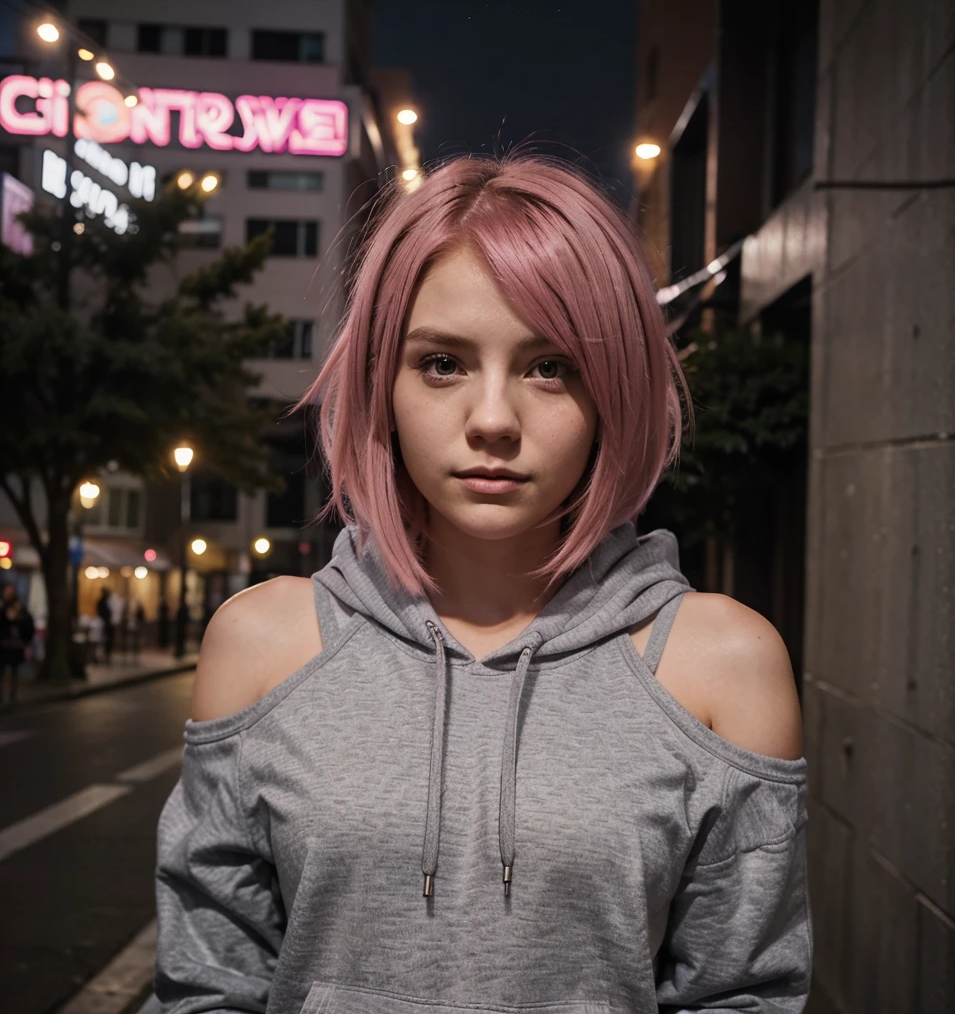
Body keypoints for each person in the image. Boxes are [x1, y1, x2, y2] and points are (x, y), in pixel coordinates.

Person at [154, 156, 810, 1013]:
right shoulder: (263, 648)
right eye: (441, 364)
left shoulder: (722, 666)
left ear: (613, 390)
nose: (494, 419)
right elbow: (207, 985)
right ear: (380, 385)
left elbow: (746, 995)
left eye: (550, 367)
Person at [1, 586, 35, 705]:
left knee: (14, 670)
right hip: (4, 645)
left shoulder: (20, 609)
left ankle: (12, 694)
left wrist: (25, 640)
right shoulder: (2, 608)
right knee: (2, 670)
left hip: (15, 646)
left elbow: (28, 625)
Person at [96, 587, 114, 663]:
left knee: (108, 641)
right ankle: (103, 656)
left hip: (108, 624)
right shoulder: (102, 602)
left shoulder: (109, 601)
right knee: (104, 641)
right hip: (104, 624)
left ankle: (106, 656)